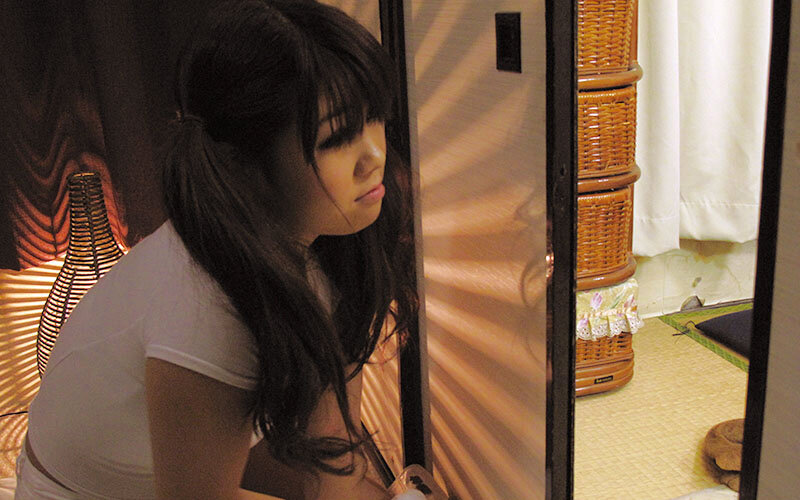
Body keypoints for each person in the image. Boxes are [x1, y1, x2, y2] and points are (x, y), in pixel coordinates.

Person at [15, 1, 419, 498]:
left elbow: (333, 455)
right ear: (245, 165)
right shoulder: (210, 307)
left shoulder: (327, 244)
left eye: (375, 117)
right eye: (336, 137)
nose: (375, 155)